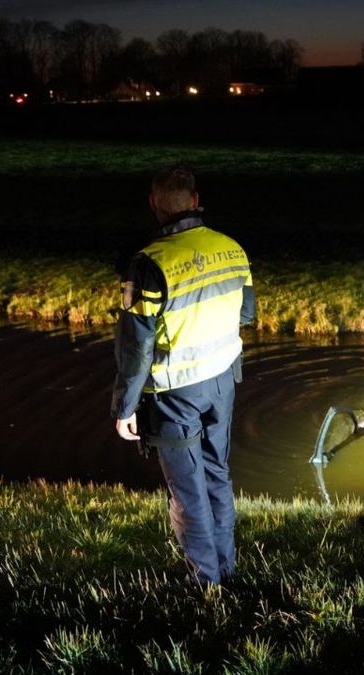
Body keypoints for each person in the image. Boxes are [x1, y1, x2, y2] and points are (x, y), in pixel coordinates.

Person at [112, 166, 255, 586]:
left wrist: (124, 407)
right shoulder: (233, 248)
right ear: (195, 201)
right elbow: (245, 313)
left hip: (176, 391)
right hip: (224, 380)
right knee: (217, 473)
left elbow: (136, 348)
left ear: (154, 204)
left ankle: (204, 583)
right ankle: (226, 569)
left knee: (187, 489)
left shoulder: (148, 265)